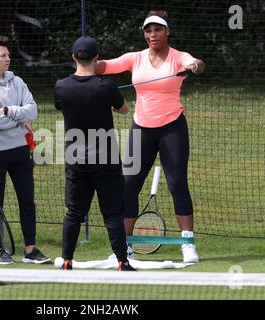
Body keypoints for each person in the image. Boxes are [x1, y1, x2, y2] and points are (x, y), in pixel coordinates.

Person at [96, 10, 205, 263]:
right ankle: (124, 248)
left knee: (177, 183)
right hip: (141, 128)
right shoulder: (136, 58)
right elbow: (106, 66)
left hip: (172, 127)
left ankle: (188, 243)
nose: (152, 34)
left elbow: (198, 64)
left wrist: (194, 66)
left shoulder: (179, 57)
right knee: (128, 185)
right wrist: (86, 63)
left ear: (167, 32)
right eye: (148, 30)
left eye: (157, 29)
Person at [54, 36, 136, 271]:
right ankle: (122, 261)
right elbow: (124, 109)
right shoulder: (106, 86)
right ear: (97, 57)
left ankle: (67, 260)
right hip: (106, 159)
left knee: (74, 212)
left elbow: (62, 105)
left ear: (73, 57)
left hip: (76, 160)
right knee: (112, 213)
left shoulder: (61, 86)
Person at [0, 35, 51, 265]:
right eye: (3, 55)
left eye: (8, 55)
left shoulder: (17, 82)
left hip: (20, 150)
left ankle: (31, 250)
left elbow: (33, 111)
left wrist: (8, 111)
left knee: (27, 200)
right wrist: (19, 118)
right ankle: (0, 249)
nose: (8, 58)